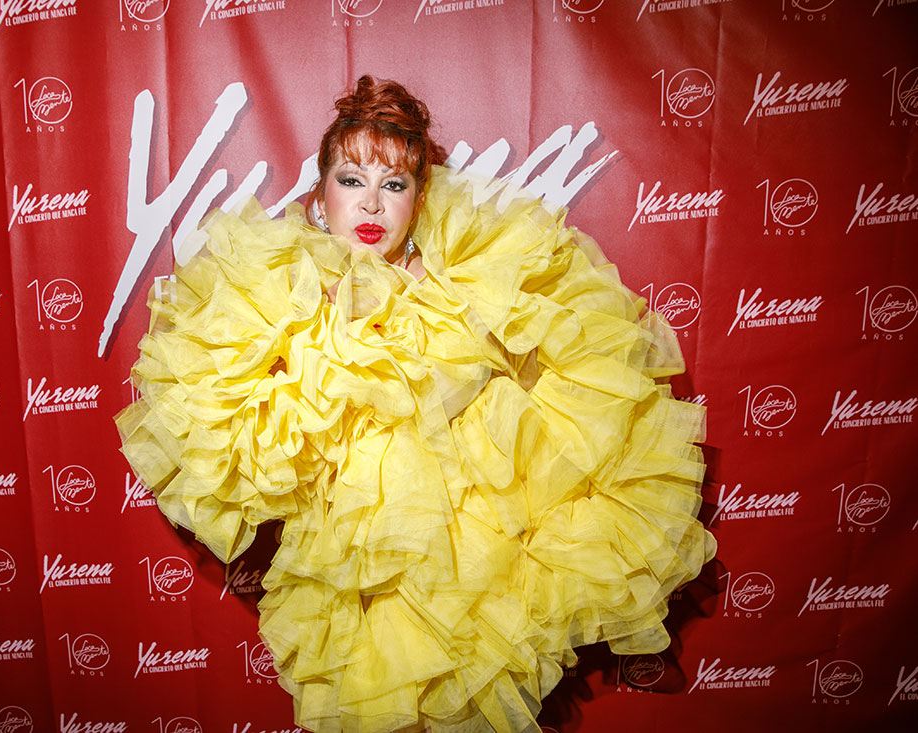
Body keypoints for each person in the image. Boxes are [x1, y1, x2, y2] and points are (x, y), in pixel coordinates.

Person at [117, 75, 716, 732]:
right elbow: (204, 400)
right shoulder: (283, 286)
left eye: (394, 184)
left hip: (468, 558)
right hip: (350, 566)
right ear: (321, 197)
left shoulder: (468, 274)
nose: (371, 202)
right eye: (351, 180)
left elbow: (583, 359)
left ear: (419, 196)